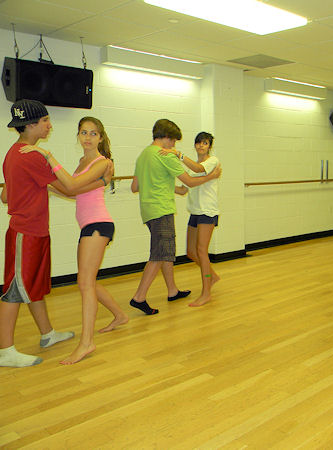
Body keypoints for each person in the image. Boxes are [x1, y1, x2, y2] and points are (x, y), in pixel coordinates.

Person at [0, 99, 109, 367]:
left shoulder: (14, 153)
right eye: (45, 120)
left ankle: (47, 334)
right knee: (14, 290)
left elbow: (5, 196)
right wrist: (101, 181)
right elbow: (69, 189)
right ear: (31, 125)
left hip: (35, 231)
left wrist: (36, 188)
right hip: (25, 232)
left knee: (34, 287)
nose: (50, 125)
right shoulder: (33, 155)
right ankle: (5, 350)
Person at [21, 117, 129, 364]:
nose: (87, 137)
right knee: (88, 281)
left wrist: (47, 156)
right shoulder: (82, 162)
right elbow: (74, 192)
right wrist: (44, 185)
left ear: (100, 137)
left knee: (84, 283)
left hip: (99, 224)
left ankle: (87, 342)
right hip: (90, 225)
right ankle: (120, 315)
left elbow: (72, 184)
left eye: (93, 133)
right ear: (78, 135)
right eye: (83, 132)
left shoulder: (103, 162)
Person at [129, 119, 222, 315]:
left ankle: (174, 290)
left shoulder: (143, 155)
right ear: (167, 137)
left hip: (150, 211)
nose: (173, 145)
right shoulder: (165, 155)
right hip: (162, 210)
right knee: (161, 254)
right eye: (173, 141)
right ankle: (139, 297)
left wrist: (167, 185)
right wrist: (211, 177)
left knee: (169, 253)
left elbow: (135, 187)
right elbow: (190, 181)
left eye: (205, 143)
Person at [161, 132, 221, 307]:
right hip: (195, 211)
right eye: (198, 143)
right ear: (195, 145)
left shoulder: (212, 161)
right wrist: (162, 184)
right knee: (191, 252)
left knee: (202, 251)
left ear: (209, 146)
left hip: (207, 211)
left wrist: (178, 154)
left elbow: (198, 169)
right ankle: (212, 276)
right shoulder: (191, 168)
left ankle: (206, 293)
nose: (201, 145)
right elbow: (182, 190)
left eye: (205, 143)